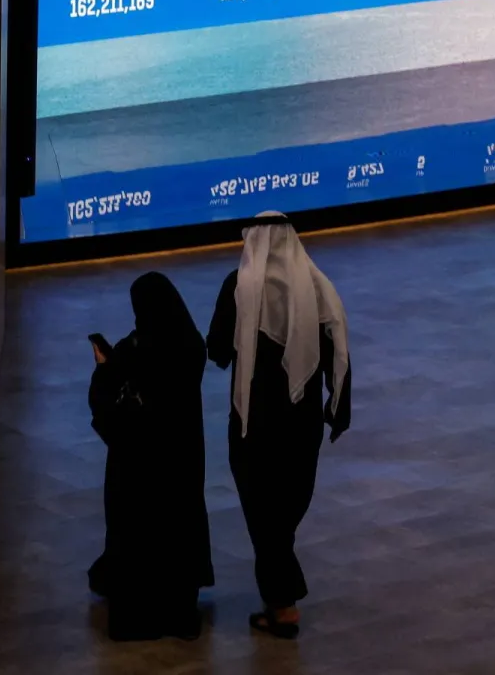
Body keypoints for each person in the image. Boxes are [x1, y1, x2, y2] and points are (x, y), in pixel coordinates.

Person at [207, 212, 351, 639]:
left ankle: (284, 606)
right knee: (283, 511)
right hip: (300, 424)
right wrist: (335, 409)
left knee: (262, 513)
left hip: (254, 423)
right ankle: (281, 600)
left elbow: (216, 350)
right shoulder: (318, 287)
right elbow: (337, 355)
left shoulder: (239, 286)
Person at [88, 272, 214, 641]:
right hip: (181, 466)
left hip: (138, 471)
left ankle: (137, 613)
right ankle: (177, 610)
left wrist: (104, 367)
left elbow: (114, 392)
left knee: (137, 534)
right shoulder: (190, 346)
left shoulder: (137, 349)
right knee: (178, 529)